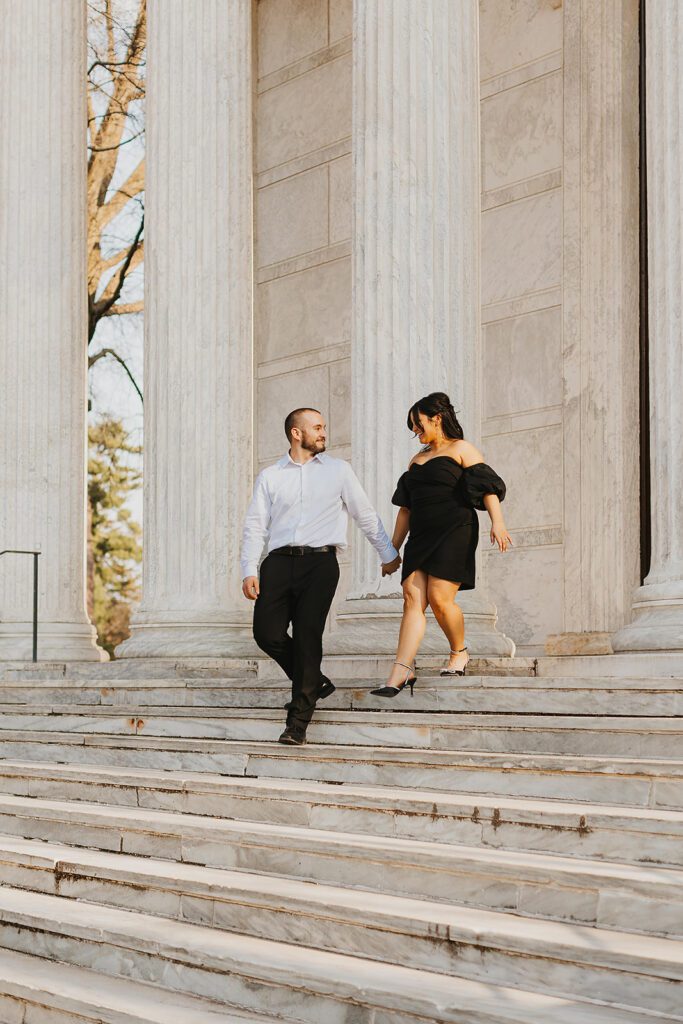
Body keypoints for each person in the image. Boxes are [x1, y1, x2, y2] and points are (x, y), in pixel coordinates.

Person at [241, 407, 401, 744]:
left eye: (323, 427)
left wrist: (387, 553)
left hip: (320, 564)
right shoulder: (271, 476)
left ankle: (298, 721)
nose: (323, 432)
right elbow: (255, 526)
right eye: (317, 427)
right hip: (278, 563)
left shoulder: (339, 471)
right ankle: (315, 680)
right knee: (265, 633)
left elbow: (365, 514)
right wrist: (248, 569)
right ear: (296, 433)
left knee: (308, 635)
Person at [371, 392, 511, 698]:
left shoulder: (461, 448)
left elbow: (486, 487)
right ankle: (402, 669)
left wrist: (497, 522)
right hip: (421, 533)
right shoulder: (417, 459)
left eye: (418, 424)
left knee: (438, 597)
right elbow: (405, 509)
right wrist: (391, 550)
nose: (415, 432)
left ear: (436, 418)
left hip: (455, 528)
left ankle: (459, 651)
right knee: (411, 596)